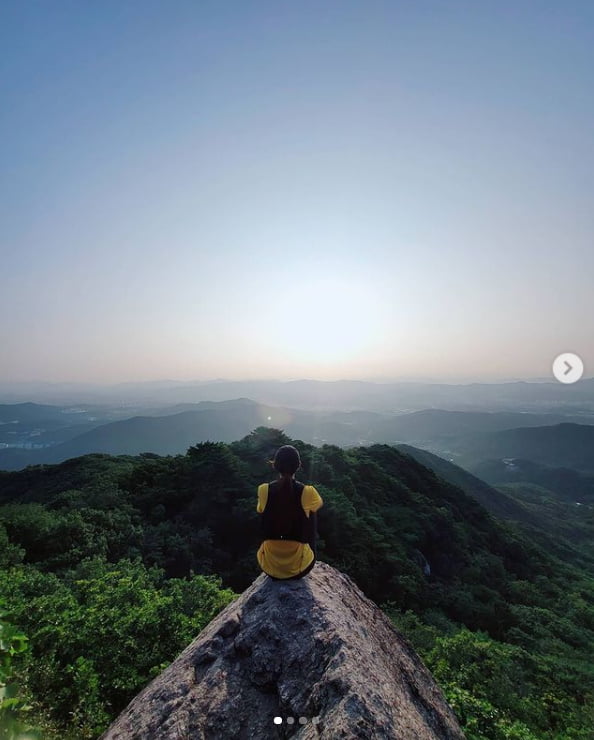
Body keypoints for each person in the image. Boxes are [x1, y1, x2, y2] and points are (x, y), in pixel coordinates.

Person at [256, 445, 323, 580]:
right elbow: (313, 521)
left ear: (275, 465)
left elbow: (261, 511)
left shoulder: (263, 490)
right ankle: (306, 552)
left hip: (269, 565)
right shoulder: (308, 492)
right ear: (298, 466)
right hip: (300, 568)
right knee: (310, 511)